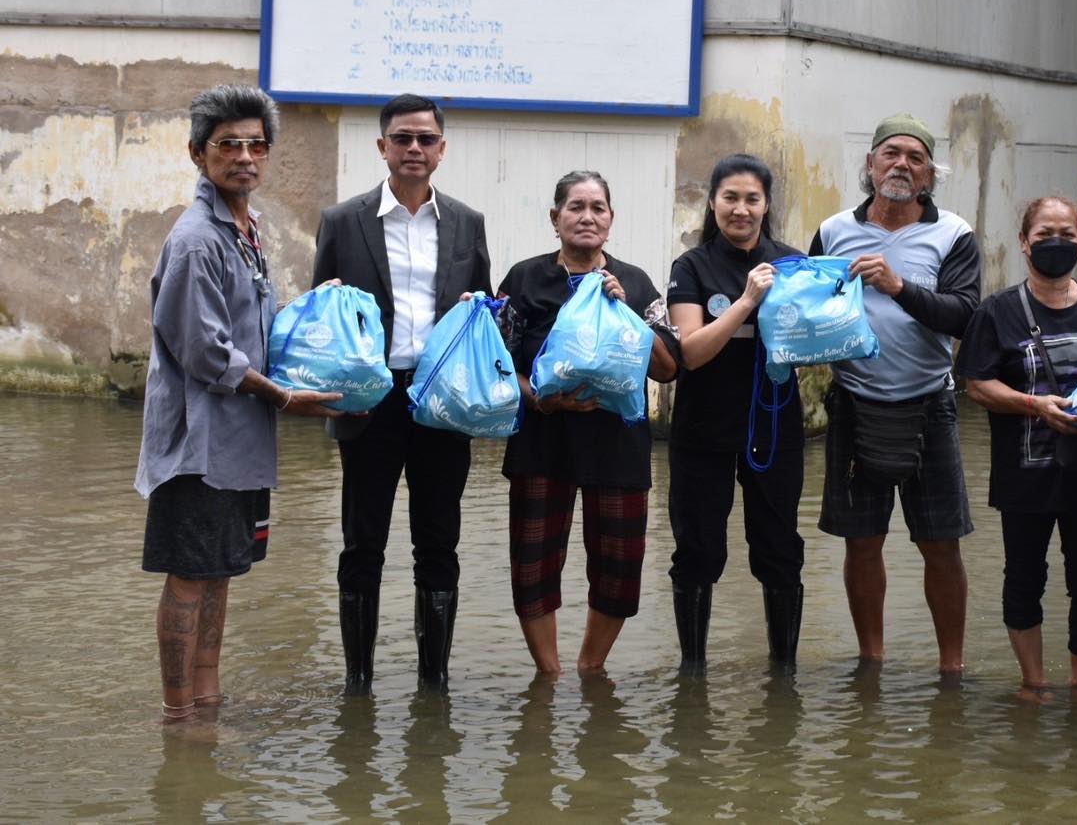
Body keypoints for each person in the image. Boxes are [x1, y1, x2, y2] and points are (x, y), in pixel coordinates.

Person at [136, 84, 342, 722]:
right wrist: (283, 396)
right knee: (190, 576)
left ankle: (207, 697)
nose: (245, 156)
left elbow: (258, 326)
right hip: (198, 444)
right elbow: (205, 352)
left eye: (256, 144)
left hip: (239, 442)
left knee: (220, 573)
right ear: (198, 154)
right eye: (229, 145)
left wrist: (314, 310)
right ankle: (178, 715)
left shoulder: (247, 231)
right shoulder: (198, 239)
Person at [312, 93, 493, 693]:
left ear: (442, 148)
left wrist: (481, 310)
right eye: (403, 138)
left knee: (438, 541)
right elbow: (322, 318)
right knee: (362, 542)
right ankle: (358, 683)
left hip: (442, 398)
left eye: (425, 139)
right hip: (370, 399)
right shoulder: (343, 221)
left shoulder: (468, 222)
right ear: (382, 146)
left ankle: (432, 681)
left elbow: (484, 313)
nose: (414, 148)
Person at [811, 114, 980, 675]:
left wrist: (898, 286)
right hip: (855, 401)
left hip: (930, 402)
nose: (901, 165)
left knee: (941, 542)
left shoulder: (952, 234)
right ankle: (871, 661)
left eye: (914, 157)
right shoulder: (833, 231)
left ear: (929, 174)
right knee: (862, 541)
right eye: (890, 154)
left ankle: (951, 667)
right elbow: (811, 310)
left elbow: (964, 315)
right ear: (870, 165)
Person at [500, 171, 679, 678]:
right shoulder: (525, 279)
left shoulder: (636, 282)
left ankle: (589, 667)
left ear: (611, 220)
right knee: (533, 565)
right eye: (575, 207)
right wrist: (538, 400)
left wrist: (629, 313)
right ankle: (550, 674)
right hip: (542, 441)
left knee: (619, 568)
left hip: (616, 444)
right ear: (555, 219)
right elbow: (496, 361)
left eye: (598, 208)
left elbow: (667, 368)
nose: (587, 217)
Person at [956, 196, 1077, 702]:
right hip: (1025, 473)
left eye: (1067, 233)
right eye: (1045, 233)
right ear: (1025, 242)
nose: (1057, 242)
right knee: (1024, 577)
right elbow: (976, 384)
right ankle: (1034, 682)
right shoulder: (997, 312)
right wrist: (1034, 404)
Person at [665, 154, 806, 672]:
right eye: (730, 198)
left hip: (774, 428)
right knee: (698, 550)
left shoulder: (793, 264)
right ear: (713, 202)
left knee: (779, 549)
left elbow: (815, 343)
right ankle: (693, 673)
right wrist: (747, 301)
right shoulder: (692, 266)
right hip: (703, 431)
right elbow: (691, 353)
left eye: (752, 199)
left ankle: (784, 673)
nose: (741, 209)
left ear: (766, 205)